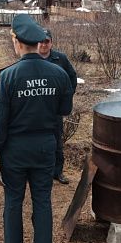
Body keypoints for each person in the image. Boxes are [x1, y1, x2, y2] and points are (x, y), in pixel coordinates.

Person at [0, 14, 74, 243]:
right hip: (45, 145)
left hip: (15, 150)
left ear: (18, 43)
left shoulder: (9, 77)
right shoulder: (59, 74)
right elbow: (65, 109)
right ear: (37, 43)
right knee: (42, 201)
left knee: (13, 200)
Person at [37, 29, 78, 185]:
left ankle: (57, 172)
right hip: (36, 110)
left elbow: (72, 77)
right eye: (40, 41)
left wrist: (67, 97)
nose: (43, 44)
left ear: (51, 42)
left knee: (56, 141)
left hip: (55, 110)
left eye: (46, 41)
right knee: (37, 141)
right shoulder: (32, 58)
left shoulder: (60, 58)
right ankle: (39, 172)